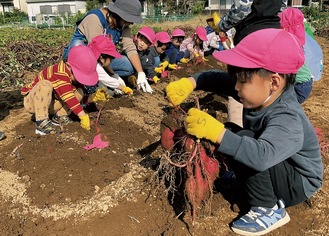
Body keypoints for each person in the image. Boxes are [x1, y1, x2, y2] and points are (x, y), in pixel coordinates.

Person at [165, 29, 323, 235]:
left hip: (298, 182)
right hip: (278, 164)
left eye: (242, 81)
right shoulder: (259, 91)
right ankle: (251, 184)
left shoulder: (287, 116)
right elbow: (217, 79)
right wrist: (191, 82)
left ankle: (268, 208)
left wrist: (217, 133)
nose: (236, 87)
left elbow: (261, 156)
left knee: (239, 140)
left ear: (274, 82)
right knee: (234, 134)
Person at [62, 0, 153, 93]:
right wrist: (113, 78)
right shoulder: (95, 19)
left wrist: (140, 73)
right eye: (128, 20)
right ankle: (88, 82)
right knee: (79, 46)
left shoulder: (122, 26)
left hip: (103, 60)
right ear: (119, 15)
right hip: (81, 58)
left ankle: (100, 80)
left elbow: (130, 48)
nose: (131, 23)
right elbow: (97, 54)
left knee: (128, 65)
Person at [21, 45, 110, 135]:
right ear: (68, 66)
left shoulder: (74, 77)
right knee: (45, 85)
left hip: (52, 104)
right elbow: (68, 97)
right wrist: (82, 115)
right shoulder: (59, 72)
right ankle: (41, 123)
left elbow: (77, 97)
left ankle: (59, 117)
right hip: (34, 103)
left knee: (80, 91)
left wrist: (89, 101)